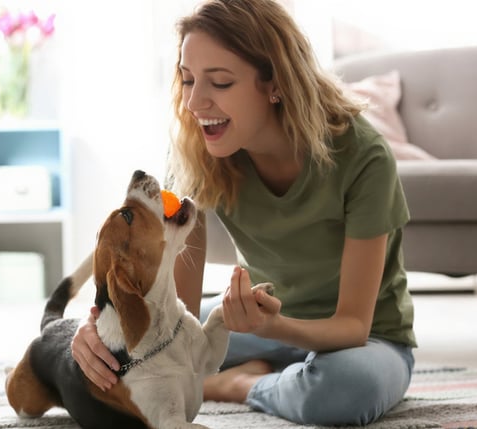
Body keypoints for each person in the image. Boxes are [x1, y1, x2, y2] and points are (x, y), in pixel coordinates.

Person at [71, 0, 417, 426]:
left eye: (219, 82)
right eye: (187, 79)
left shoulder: (364, 157)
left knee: (344, 392)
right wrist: (98, 331)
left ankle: (240, 386)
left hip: (364, 343)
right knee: (120, 347)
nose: (196, 102)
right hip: (254, 319)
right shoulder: (195, 152)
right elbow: (179, 305)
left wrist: (271, 328)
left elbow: (353, 326)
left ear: (274, 82)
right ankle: (279, 375)